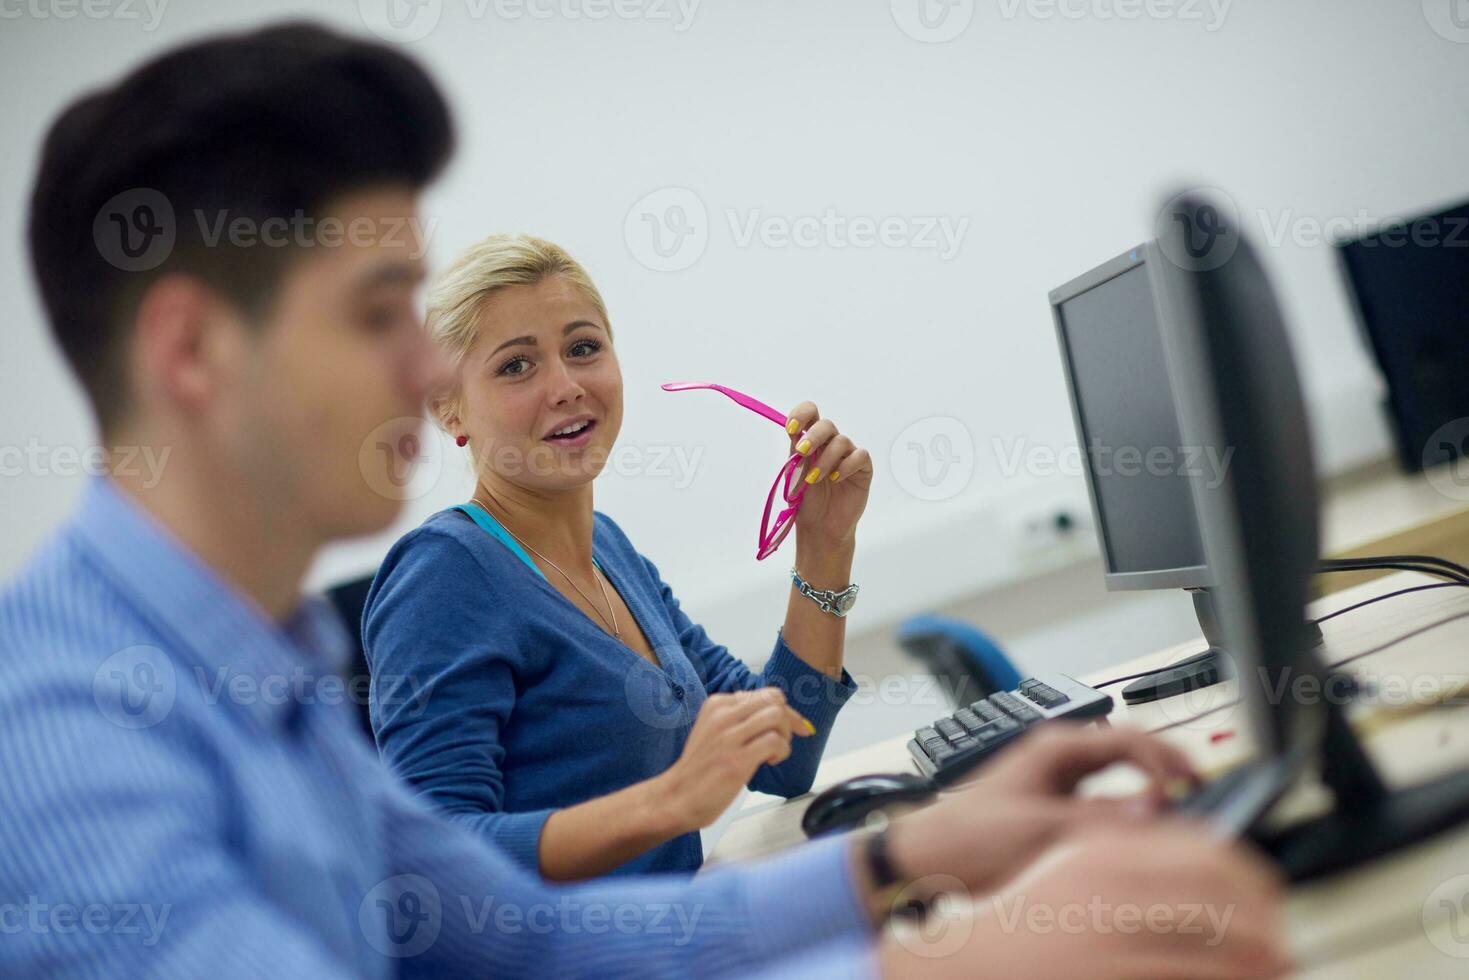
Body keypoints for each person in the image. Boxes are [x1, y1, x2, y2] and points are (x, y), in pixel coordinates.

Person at [0, 21, 1292, 979]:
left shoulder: (262, 666)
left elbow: (524, 933)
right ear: (189, 354)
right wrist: (944, 963)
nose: (419, 367)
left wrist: (908, 863)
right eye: (380, 315)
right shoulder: (65, 725)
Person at [363, 232, 867, 879]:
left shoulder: (608, 547)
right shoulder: (443, 574)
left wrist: (825, 546)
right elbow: (438, 861)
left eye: (582, 348)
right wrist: (672, 800)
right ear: (447, 407)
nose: (566, 385)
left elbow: (782, 753)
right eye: (517, 366)